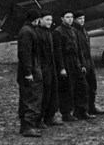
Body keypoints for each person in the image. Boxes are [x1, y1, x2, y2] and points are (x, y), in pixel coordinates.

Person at [53, 10, 91, 121]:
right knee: (68, 88)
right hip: (66, 61)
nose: (70, 19)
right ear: (62, 18)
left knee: (83, 86)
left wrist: (82, 64)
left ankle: (81, 111)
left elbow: (79, 50)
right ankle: (66, 113)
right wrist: (62, 68)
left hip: (76, 62)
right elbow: (58, 52)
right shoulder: (58, 32)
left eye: (71, 17)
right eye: (67, 17)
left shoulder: (74, 31)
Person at [73, 10, 104, 116]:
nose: (82, 20)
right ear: (75, 20)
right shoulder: (74, 31)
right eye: (79, 19)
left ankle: (91, 107)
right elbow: (77, 50)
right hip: (82, 62)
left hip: (89, 61)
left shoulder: (84, 30)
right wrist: (81, 64)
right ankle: (81, 110)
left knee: (92, 85)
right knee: (83, 88)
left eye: (83, 18)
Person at [17, 9, 43, 137]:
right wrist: (28, 73)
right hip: (30, 71)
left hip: (29, 70)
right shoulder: (28, 32)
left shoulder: (26, 30)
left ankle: (25, 126)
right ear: (36, 19)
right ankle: (28, 127)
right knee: (32, 98)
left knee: (27, 97)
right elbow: (25, 54)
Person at [35, 10, 63, 128]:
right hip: (42, 68)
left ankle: (49, 117)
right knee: (43, 95)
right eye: (47, 19)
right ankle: (38, 119)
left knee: (52, 94)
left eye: (51, 20)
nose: (50, 22)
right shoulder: (37, 33)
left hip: (51, 68)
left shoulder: (49, 32)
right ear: (40, 20)